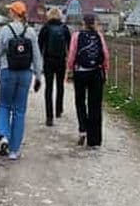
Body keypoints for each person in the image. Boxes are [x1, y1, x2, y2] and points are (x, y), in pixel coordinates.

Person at [0, 2, 43, 160]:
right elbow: (36, 56)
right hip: (25, 74)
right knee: (19, 111)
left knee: (4, 105)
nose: (9, 13)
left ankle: (4, 136)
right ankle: (14, 151)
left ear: (14, 13)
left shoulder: (5, 30)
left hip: (8, 71)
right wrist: (38, 76)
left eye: (10, 11)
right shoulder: (31, 32)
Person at [67, 13, 110, 148]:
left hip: (80, 72)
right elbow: (105, 54)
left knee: (80, 102)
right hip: (96, 72)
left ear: (83, 23)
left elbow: (72, 53)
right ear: (95, 23)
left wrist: (69, 69)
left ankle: (83, 129)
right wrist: (105, 71)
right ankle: (95, 139)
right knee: (95, 105)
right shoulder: (99, 36)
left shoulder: (77, 36)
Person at [37, 8, 71, 126]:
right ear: (60, 16)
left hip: (48, 60)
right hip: (61, 60)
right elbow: (70, 46)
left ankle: (49, 116)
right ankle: (59, 109)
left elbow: (39, 46)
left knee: (49, 88)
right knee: (60, 86)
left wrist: (38, 62)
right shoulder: (64, 28)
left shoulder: (45, 28)